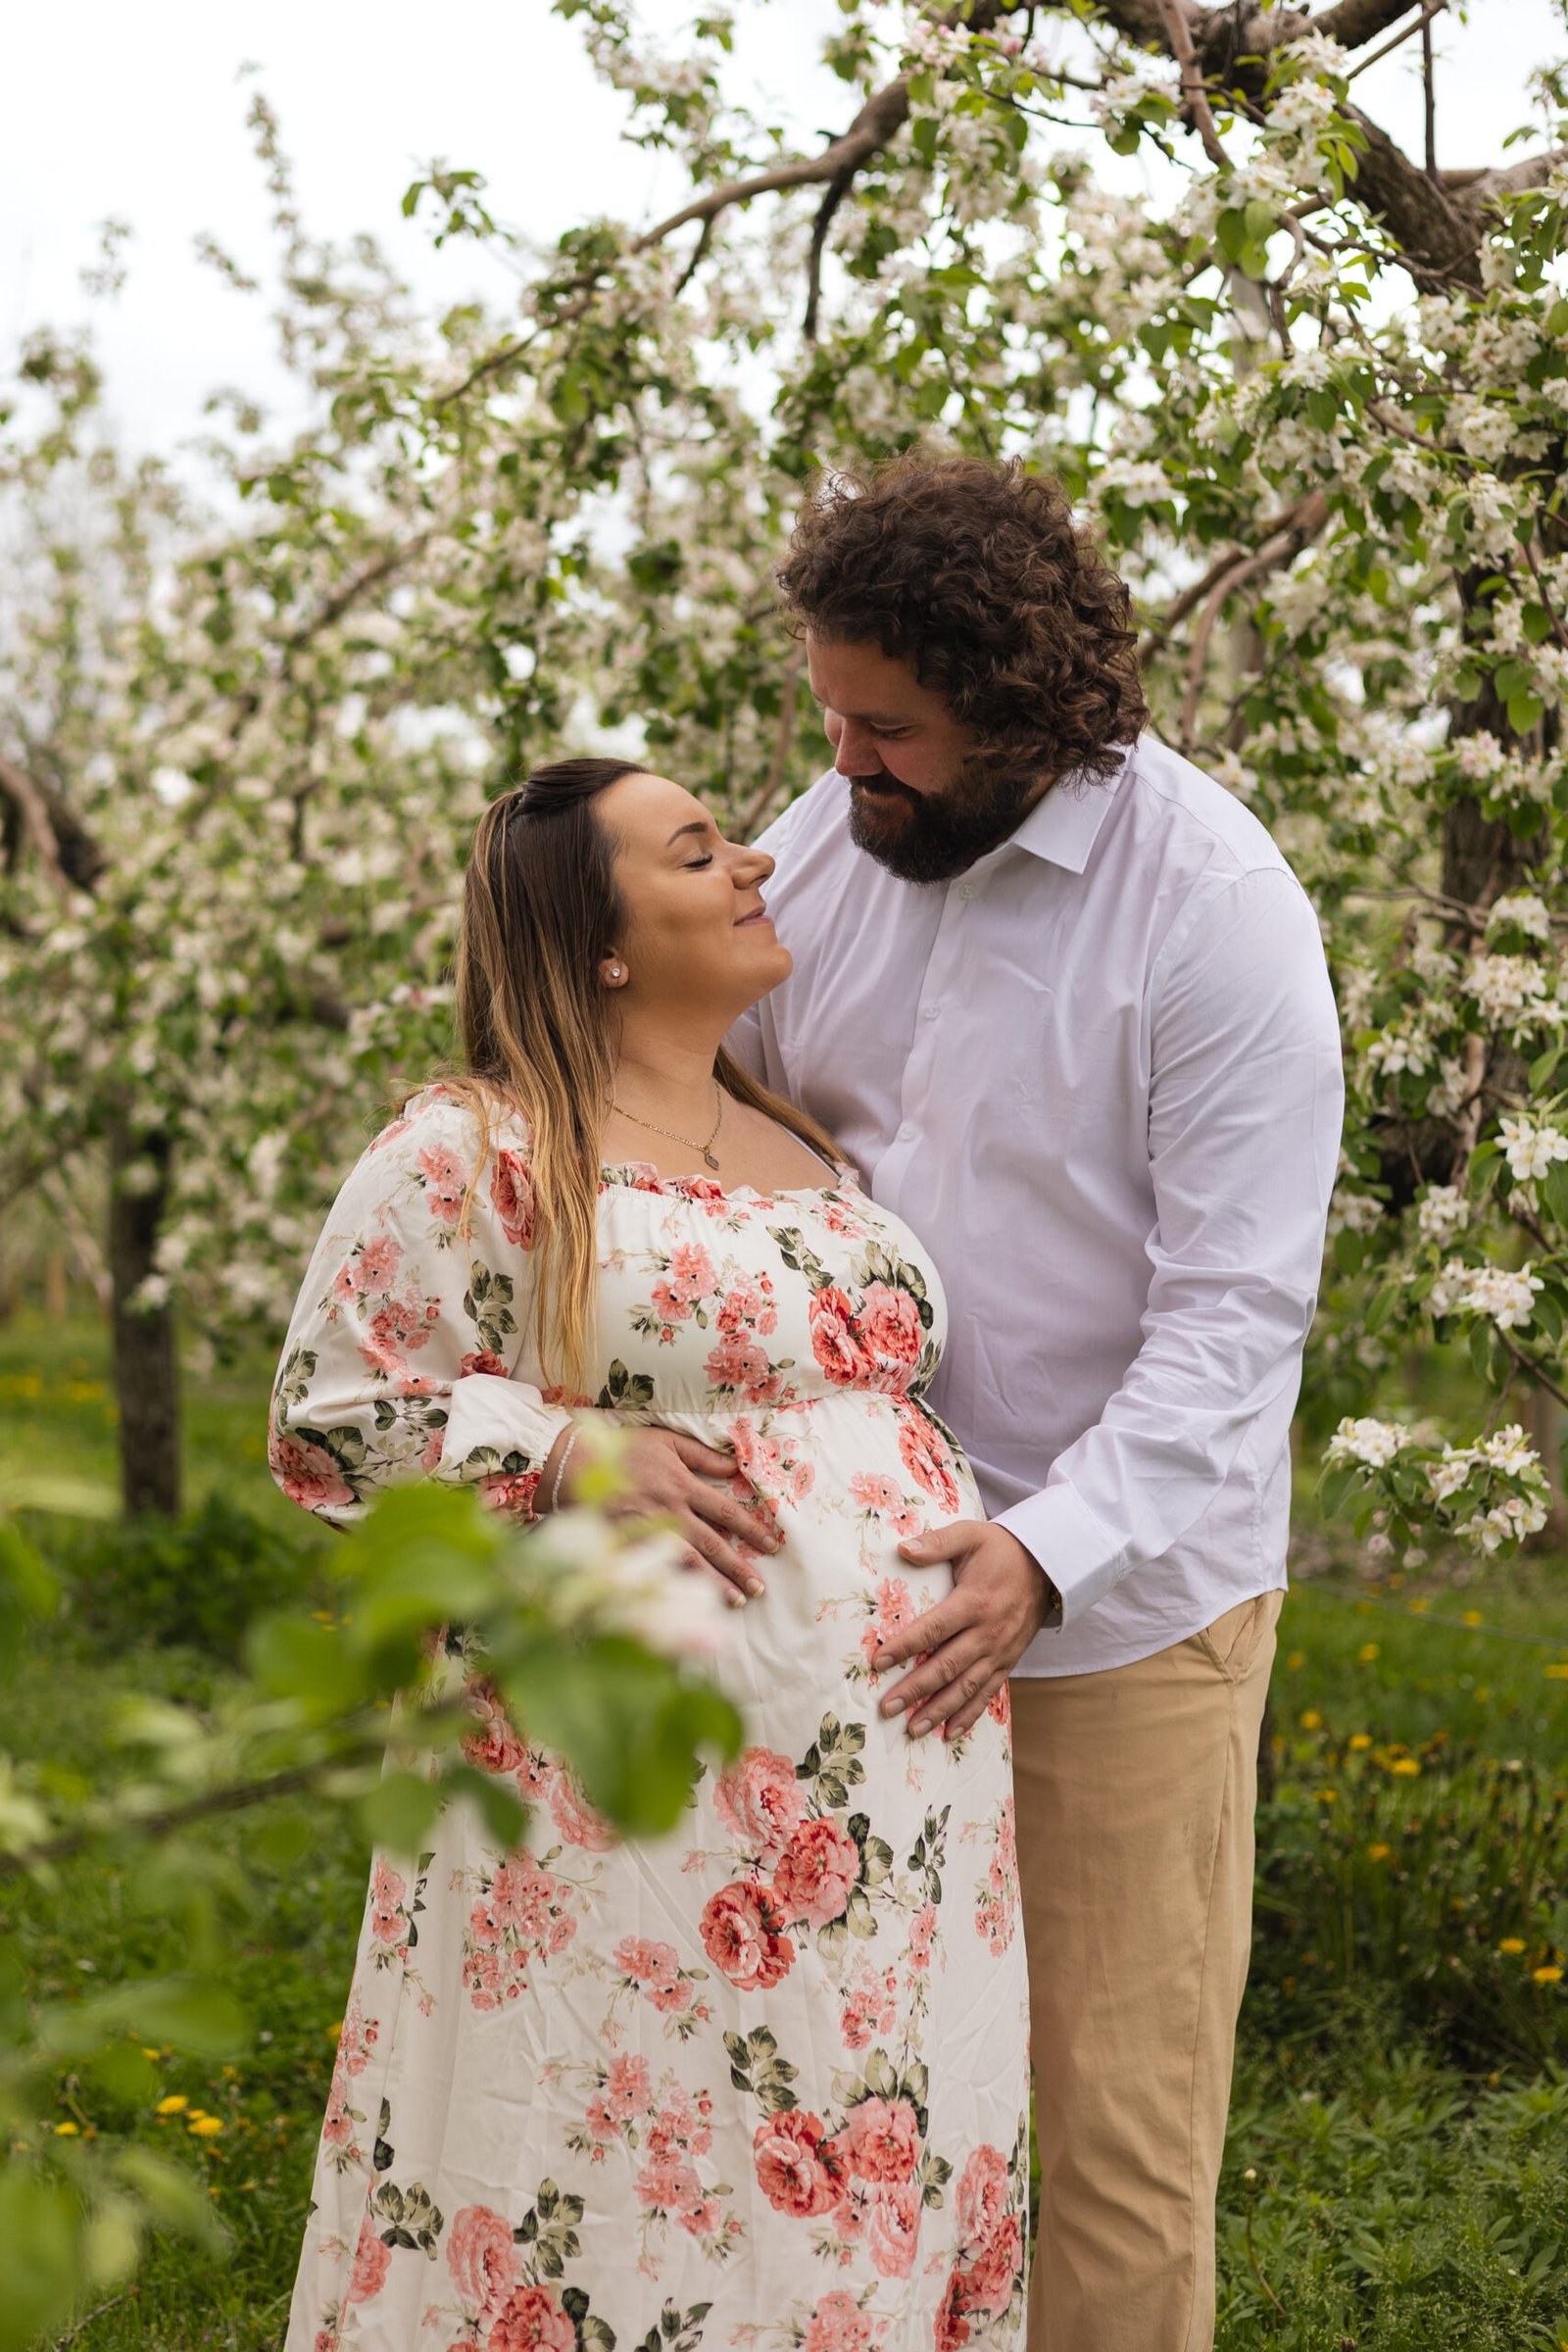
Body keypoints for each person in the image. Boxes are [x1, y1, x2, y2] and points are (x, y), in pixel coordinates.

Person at [270, 758, 1030, 2348]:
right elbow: (326, 1414)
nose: (754, 859)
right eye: (696, 850)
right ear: (598, 939)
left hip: (895, 1794)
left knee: (860, 2122)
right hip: (622, 1798)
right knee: (621, 2148)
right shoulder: (474, 1146)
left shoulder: (802, 1138)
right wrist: (562, 1449)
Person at [726, 452, 1345, 2352]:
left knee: (1110, 2140)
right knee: (852, 2102)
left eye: (887, 728)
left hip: (1113, 1625)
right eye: (826, 716)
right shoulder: (834, 835)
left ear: (1013, 703)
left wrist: (1039, 1555)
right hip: (843, 1603)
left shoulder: (1210, 909)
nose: (844, 766)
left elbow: (1235, 1322)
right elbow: (698, 1086)